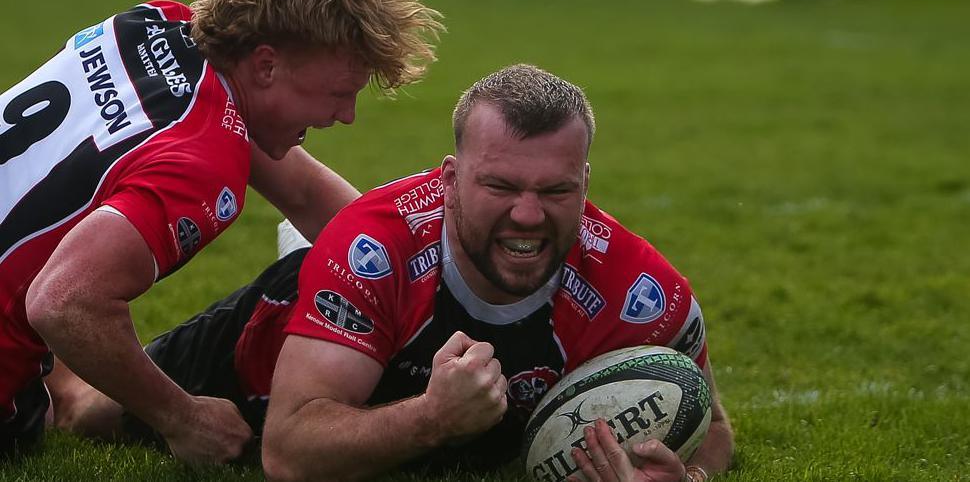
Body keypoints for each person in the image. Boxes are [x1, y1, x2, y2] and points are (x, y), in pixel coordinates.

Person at [54, 65, 733, 481]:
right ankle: (53, 359)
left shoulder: (640, 292)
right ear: (450, 179)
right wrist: (434, 418)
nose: (528, 215)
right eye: (500, 186)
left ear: (585, 182)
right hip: (272, 344)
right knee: (89, 416)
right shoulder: (373, 250)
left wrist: (686, 476)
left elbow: (714, 430)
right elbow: (288, 454)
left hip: (378, 313)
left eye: (556, 191)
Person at [0, 0, 443, 463]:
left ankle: (67, 389)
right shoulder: (205, 163)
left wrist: (416, 272)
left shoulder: (155, 23)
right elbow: (63, 302)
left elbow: (302, 192)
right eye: (338, 93)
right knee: (48, 385)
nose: (346, 115)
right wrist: (181, 417)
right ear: (266, 66)